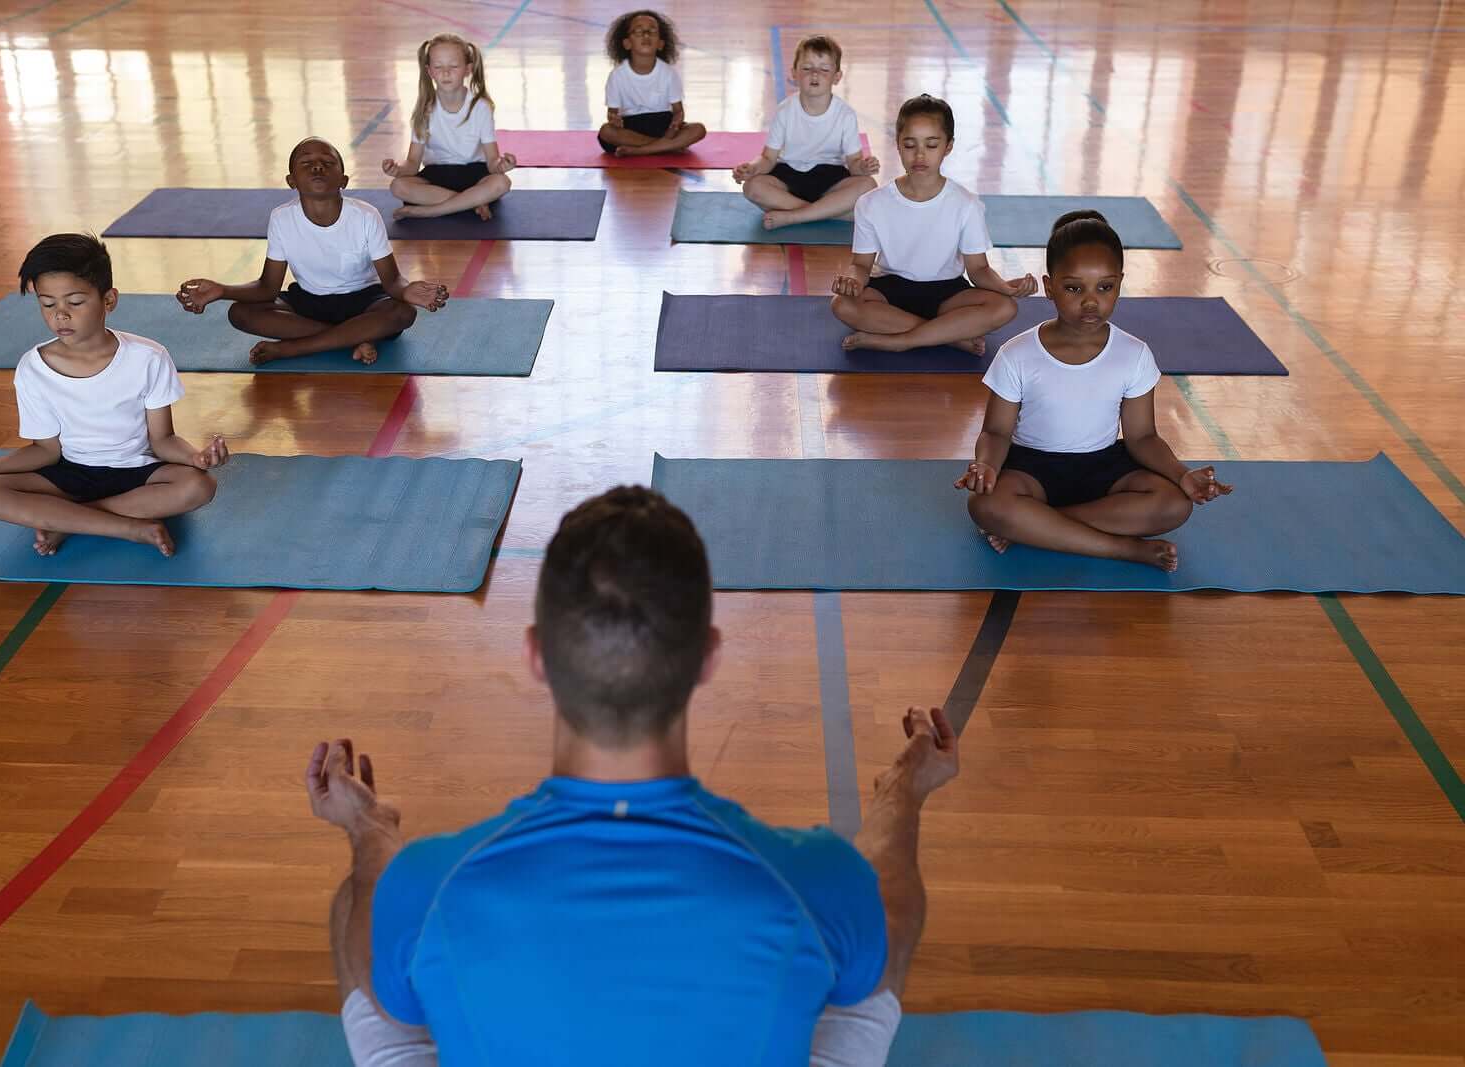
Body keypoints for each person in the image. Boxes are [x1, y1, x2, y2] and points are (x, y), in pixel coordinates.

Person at [306, 487, 961, 1067]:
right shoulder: (817, 873)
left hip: (412, 892)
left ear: (535, 655)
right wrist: (905, 788)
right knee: (875, 929)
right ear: (708, 657)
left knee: (360, 904)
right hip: (821, 895)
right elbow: (893, 917)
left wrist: (367, 827)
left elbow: (387, 997)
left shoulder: (425, 881)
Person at [955, 210, 1233, 572]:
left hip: (1103, 467)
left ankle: (1039, 527)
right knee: (985, 506)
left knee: (1174, 504)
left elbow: (1143, 437)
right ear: (1050, 285)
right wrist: (987, 466)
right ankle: (1123, 549)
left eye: (1105, 287)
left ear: (1120, 283)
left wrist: (1182, 474)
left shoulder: (1133, 354)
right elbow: (996, 430)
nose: (1090, 301)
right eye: (1074, 288)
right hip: (1031, 471)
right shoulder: (1017, 354)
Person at [0, 233, 227, 558]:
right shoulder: (33, 368)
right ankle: (128, 526)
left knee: (199, 485)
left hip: (140, 472)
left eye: (75, 302)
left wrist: (195, 458)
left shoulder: (148, 357)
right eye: (48, 304)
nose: (61, 315)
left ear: (108, 300)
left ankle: (68, 522)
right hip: (69, 473)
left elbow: (163, 440)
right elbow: (45, 451)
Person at [175, 137, 448, 366]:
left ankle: (293, 348)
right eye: (307, 164)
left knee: (403, 313)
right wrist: (223, 290)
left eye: (328, 163)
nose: (317, 166)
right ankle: (353, 339)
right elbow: (267, 288)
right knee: (239, 313)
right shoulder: (282, 218)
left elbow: (391, 281)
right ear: (291, 180)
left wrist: (406, 291)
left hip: (365, 303)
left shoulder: (366, 216)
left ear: (343, 179)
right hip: (307, 302)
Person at [830, 94, 1035, 354]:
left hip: (948, 293)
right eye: (909, 144)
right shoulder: (871, 203)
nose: (919, 155)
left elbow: (979, 269)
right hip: (891, 289)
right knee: (842, 304)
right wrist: (852, 281)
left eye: (931, 145)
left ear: (948, 146)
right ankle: (950, 336)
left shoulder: (966, 204)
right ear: (897, 145)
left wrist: (1005, 287)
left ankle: (898, 340)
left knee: (1005, 307)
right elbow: (861, 265)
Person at [732, 36, 878, 229]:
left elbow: (854, 164)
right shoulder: (784, 111)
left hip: (831, 177)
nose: (815, 74)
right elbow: (768, 158)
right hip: (788, 176)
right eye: (807, 68)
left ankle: (795, 216)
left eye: (824, 69)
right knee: (752, 187)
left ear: (837, 77)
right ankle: (830, 213)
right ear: (795, 74)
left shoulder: (845, 115)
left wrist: (864, 167)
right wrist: (751, 168)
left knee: (868, 185)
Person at [381, 33, 516, 222]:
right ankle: (472, 202)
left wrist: (502, 165)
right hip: (437, 176)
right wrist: (398, 171)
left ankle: (430, 211)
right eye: (438, 67)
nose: (446, 73)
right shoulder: (424, 109)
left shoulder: (481, 107)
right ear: (429, 71)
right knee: (398, 186)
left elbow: (492, 162)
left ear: (468, 69)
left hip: (475, 174)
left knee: (502, 183)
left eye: (453, 66)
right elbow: (412, 163)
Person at [596, 10, 707, 157]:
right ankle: (667, 147)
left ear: (661, 43)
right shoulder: (617, 76)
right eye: (638, 31)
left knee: (699, 129)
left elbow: (678, 111)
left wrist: (674, 126)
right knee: (606, 132)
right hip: (631, 126)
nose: (646, 35)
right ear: (627, 43)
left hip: (663, 124)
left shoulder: (669, 73)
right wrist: (614, 120)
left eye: (652, 31)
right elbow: (612, 113)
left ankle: (641, 150)